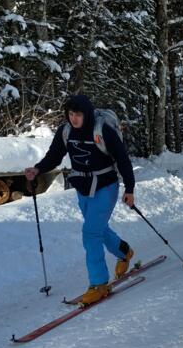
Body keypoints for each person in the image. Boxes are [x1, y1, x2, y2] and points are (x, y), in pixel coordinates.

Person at [25, 95, 136, 305]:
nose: (74, 119)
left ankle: (99, 283)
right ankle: (124, 251)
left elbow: (122, 158)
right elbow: (54, 156)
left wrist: (129, 188)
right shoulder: (66, 131)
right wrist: (38, 169)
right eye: (70, 114)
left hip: (106, 186)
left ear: (87, 113)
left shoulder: (102, 130)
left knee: (91, 232)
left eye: (78, 114)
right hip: (83, 188)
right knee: (99, 229)